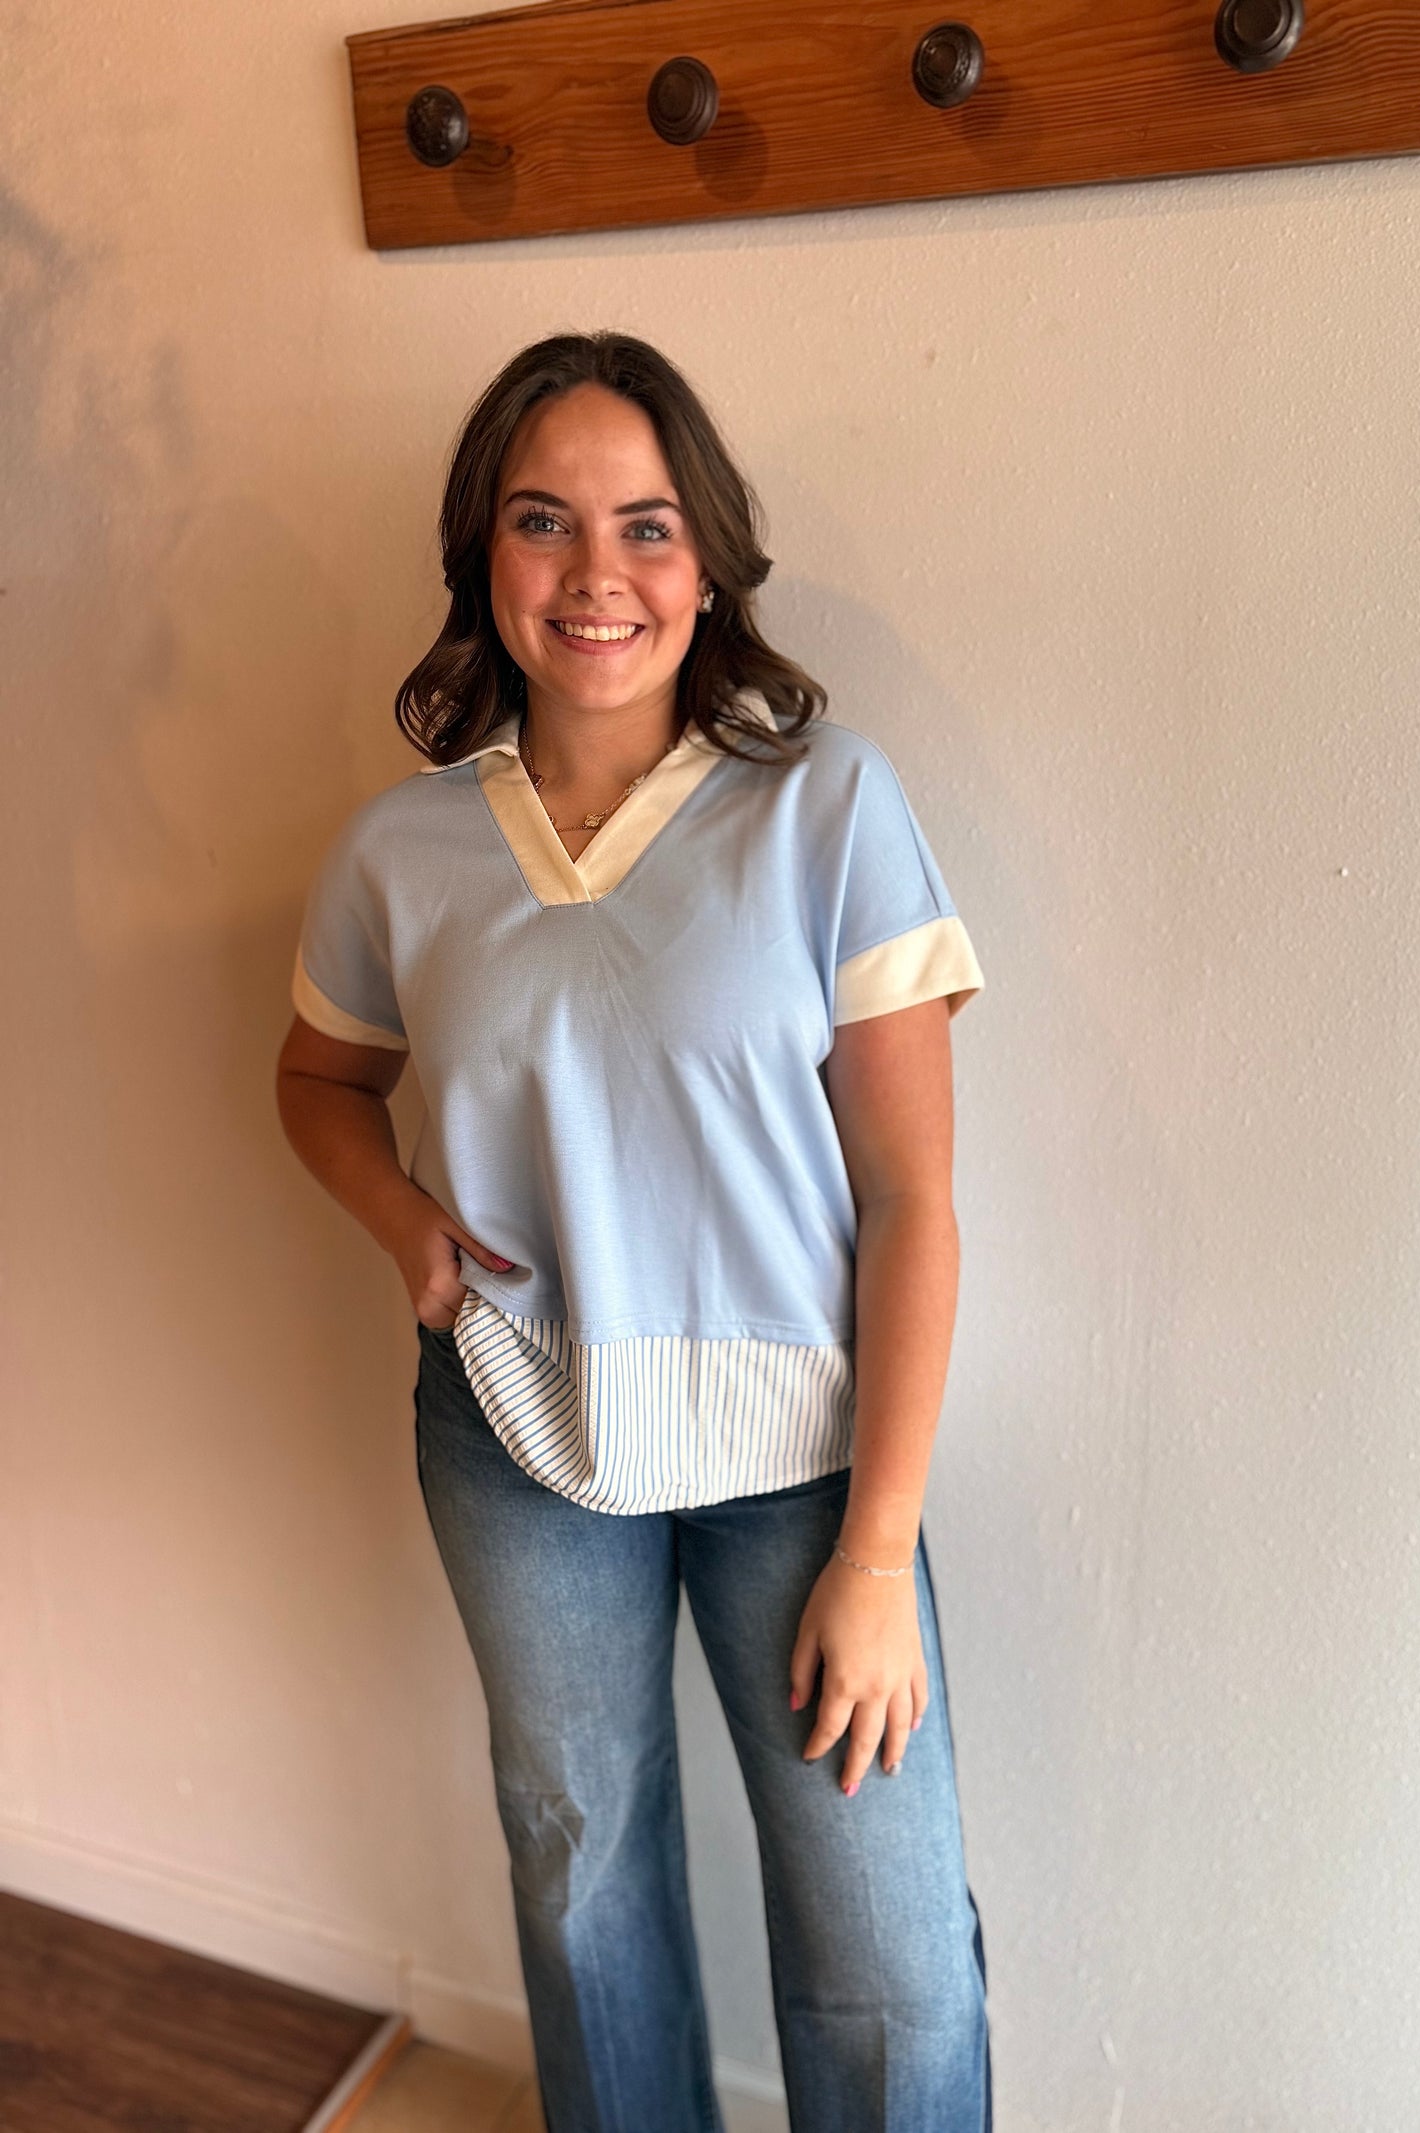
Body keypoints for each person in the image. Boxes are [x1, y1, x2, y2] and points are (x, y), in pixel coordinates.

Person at [274, 330, 992, 2133]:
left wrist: (878, 1551)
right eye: (544, 521)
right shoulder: (400, 851)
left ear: (707, 557)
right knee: (583, 1876)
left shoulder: (828, 807)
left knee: (884, 1935)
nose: (598, 573)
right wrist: (412, 1242)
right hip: (516, 1424)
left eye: (646, 523)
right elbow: (314, 1077)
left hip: (808, 1465)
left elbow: (912, 1197)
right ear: (483, 558)